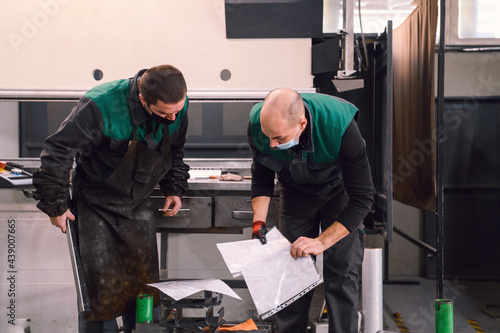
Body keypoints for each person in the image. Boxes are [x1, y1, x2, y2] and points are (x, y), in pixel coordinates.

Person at [32, 64, 190, 333]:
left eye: (177, 111)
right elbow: (58, 149)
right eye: (165, 113)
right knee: (99, 297)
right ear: (143, 99)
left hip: (137, 207)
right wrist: (54, 203)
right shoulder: (100, 104)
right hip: (96, 206)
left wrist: (173, 187)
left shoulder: (176, 104)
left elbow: (174, 150)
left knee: (144, 295)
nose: (174, 117)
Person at [247, 88, 374, 333]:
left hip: (339, 192)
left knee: (341, 271)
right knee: (293, 269)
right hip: (295, 193)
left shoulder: (340, 127)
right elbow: (261, 174)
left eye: (279, 139)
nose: (272, 144)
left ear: (301, 124)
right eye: (268, 137)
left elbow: (362, 198)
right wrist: (258, 221)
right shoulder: (259, 123)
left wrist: (322, 242)